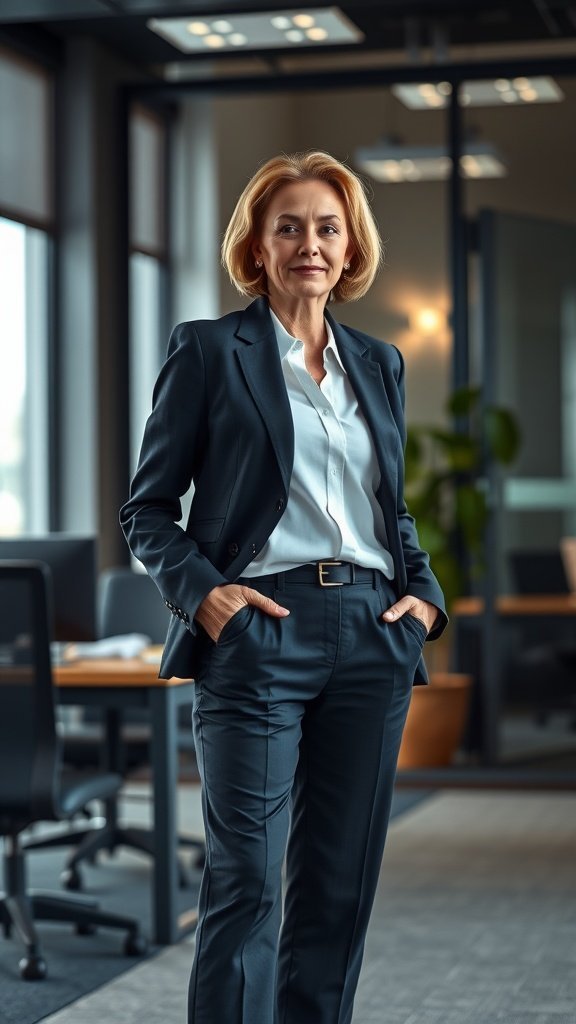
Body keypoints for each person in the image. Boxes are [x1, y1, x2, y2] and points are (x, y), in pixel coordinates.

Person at [120, 150, 448, 1024]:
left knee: (339, 888)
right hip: (259, 631)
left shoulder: (378, 362)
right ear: (257, 247)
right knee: (247, 882)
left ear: (351, 248)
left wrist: (423, 600)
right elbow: (146, 510)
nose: (311, 244)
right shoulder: (207, 351)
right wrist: (208, 597)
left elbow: (390, 507)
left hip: (372, 632)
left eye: (328, 228)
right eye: (290, 227)